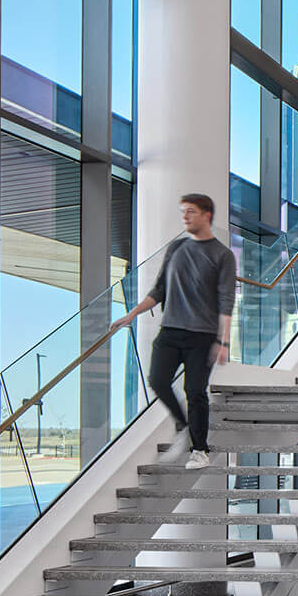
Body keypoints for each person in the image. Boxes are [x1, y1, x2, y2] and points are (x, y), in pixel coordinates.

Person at [111, 193, 238, 470]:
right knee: (157, 380)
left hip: (202, 336)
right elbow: (159, 290)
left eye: (190, 211)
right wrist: (132, 313)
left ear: (206, 215)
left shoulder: (223, 255)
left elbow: (226, 299)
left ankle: (200, 450)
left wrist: (223, 341)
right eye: (183, 211)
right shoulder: (176, 249)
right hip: (170, 331)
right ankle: (182, 424)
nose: (185, 217)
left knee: (195, 390)